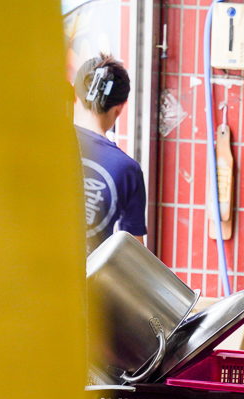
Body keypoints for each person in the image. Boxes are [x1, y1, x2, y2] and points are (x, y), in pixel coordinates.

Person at [73, 54, 147, 253]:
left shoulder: (46, 140)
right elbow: (134, 255)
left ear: (76, 95)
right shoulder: (127, 170)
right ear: (119, 109)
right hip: (85, 280)